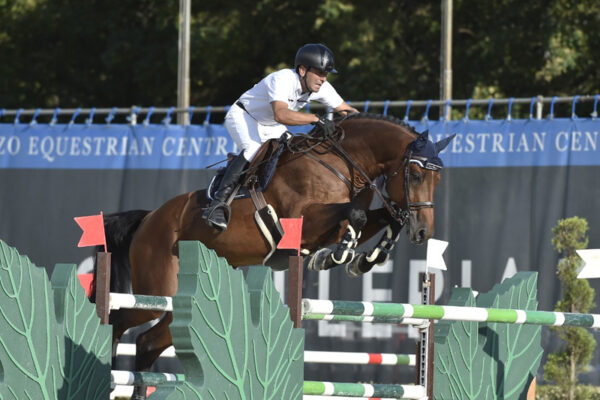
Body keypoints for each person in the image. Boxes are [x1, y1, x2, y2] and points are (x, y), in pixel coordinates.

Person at [203, 43, 358, 231]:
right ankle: (217, 204)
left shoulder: (322, 87)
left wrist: (366, 126)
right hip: (244, 116)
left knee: (293, 151)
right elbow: (281, 115)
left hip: (271, 125)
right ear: (302, 70)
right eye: (319, 73)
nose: (323, 79)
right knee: (253, 149)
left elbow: (348, 111)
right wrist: (316, 118)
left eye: (326, 74)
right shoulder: (282, 79)